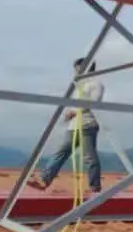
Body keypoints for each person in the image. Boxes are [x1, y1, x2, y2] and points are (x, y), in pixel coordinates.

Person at [30, 57, 105, 193]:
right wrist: (69, 115)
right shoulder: (78, 86)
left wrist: (75, 111)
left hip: (87, 124)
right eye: (75, 69)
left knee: (89, 157)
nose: (76, 72)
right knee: (61, 152)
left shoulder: (96, 84)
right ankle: (44, 180)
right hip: (74, 126)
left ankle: (95, 187)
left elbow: (94, 102)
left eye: (78, 69)